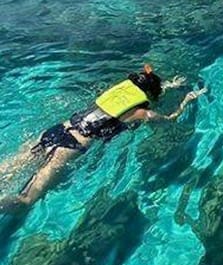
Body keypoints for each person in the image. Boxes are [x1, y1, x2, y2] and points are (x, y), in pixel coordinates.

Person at [0, 65, 207, 214]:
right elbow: (171, 119)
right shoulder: (143, 114)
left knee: (10, 166)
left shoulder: (116, 94)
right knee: (26, 201)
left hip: (55, 131)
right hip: (68, 148)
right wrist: (186, 100)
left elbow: (144, 89)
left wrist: (169, 85)